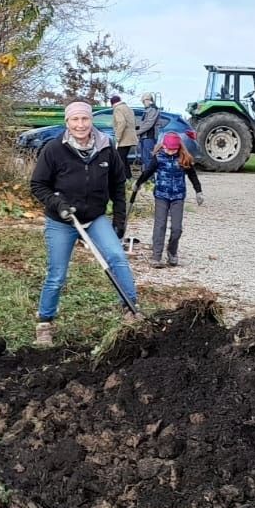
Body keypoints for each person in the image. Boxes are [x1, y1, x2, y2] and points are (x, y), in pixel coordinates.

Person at [29, 99, 139, 345]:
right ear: (67, 122)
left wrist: (119, 218)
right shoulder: (54, 149)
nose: (80, 124)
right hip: (62, 221)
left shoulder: (106, 147)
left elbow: (117, 185)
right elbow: (38, 185)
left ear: (91, 120)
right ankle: (45, 323)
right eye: (75, 119)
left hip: (94, 217)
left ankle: (131, 310)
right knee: (57, 273)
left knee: (117, 257)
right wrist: (58, 204)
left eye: (85, 118)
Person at [133, 131, 204, 268]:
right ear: (163, 146)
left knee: (177, 228)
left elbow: (193, 175)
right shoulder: (158, 158)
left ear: (179, 148)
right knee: (160, 225)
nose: (170, 152)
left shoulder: (183, 158)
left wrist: (198, 191)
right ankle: (156, 256)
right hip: (161, 196)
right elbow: (147, 172)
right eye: (168, 149)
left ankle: (172, 251)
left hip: (178, 196)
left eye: (174, 150)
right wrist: (138, 183)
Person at [136, 93, 165, 176]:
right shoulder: (148, 110)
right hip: (144, 137)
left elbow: (149, 124)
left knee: (148, 159)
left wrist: (137, 132)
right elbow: (143, 123)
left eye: (144, 101)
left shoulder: (153, 109)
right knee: (145, 158)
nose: (143, 103)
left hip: (149, 137)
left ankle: (150, 179)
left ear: (149, 100)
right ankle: (146, 177)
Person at [110, 94, 138, 177]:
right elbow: (134, 123)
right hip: (131, 137)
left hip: (124, 138)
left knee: (119, 158)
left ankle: (123, 177)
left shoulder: (117, 109)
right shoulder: (129, 109)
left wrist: (117, 137)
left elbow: (121, 122)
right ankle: (128, 176)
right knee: (123, 157)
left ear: (112, 104)